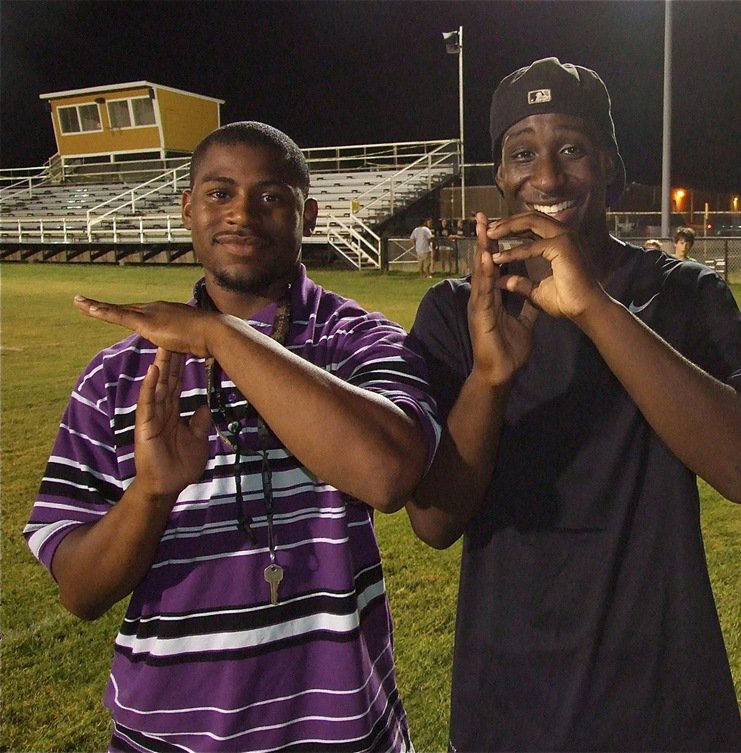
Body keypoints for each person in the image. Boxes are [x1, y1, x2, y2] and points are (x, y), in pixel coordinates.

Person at [24, 121, 440, 752]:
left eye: (271, 196)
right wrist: (151, 494)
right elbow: (80, 592)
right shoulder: (118, 375)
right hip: (167, 737)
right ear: (188, 207)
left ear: (310, 214)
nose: (241, 214)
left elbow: (389, 474)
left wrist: (218, 335)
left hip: (344, 736)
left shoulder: (356, 340)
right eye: (219, 193)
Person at [405, 57, 741, 751]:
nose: (546, 176)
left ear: (610, 164)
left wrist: (594, 308)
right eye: (522, 153)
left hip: (665, 703)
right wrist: (490, 377)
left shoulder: (684, 294)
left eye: (570, 148)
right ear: (501, 176)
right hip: (506, 707)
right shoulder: (458, 311)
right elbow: (434, 520)